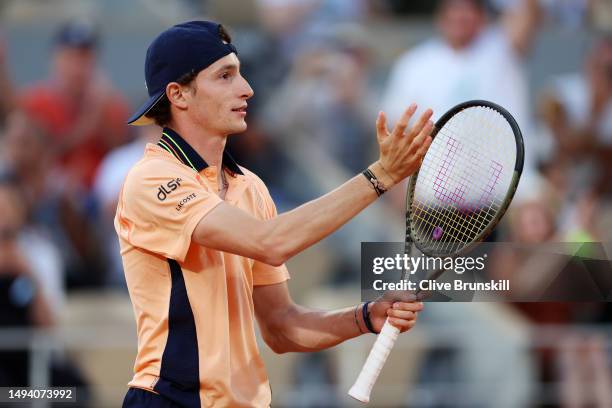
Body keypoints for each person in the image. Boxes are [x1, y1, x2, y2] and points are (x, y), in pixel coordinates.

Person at [116, 21, 433, 407]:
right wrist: (381, 175)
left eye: (240, 73)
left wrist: (364, 317)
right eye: (225, 76)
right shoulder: (151, 178)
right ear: (179, 95)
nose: (246, 88)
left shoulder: (250, 187)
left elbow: (282, 327)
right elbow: (271, 243)